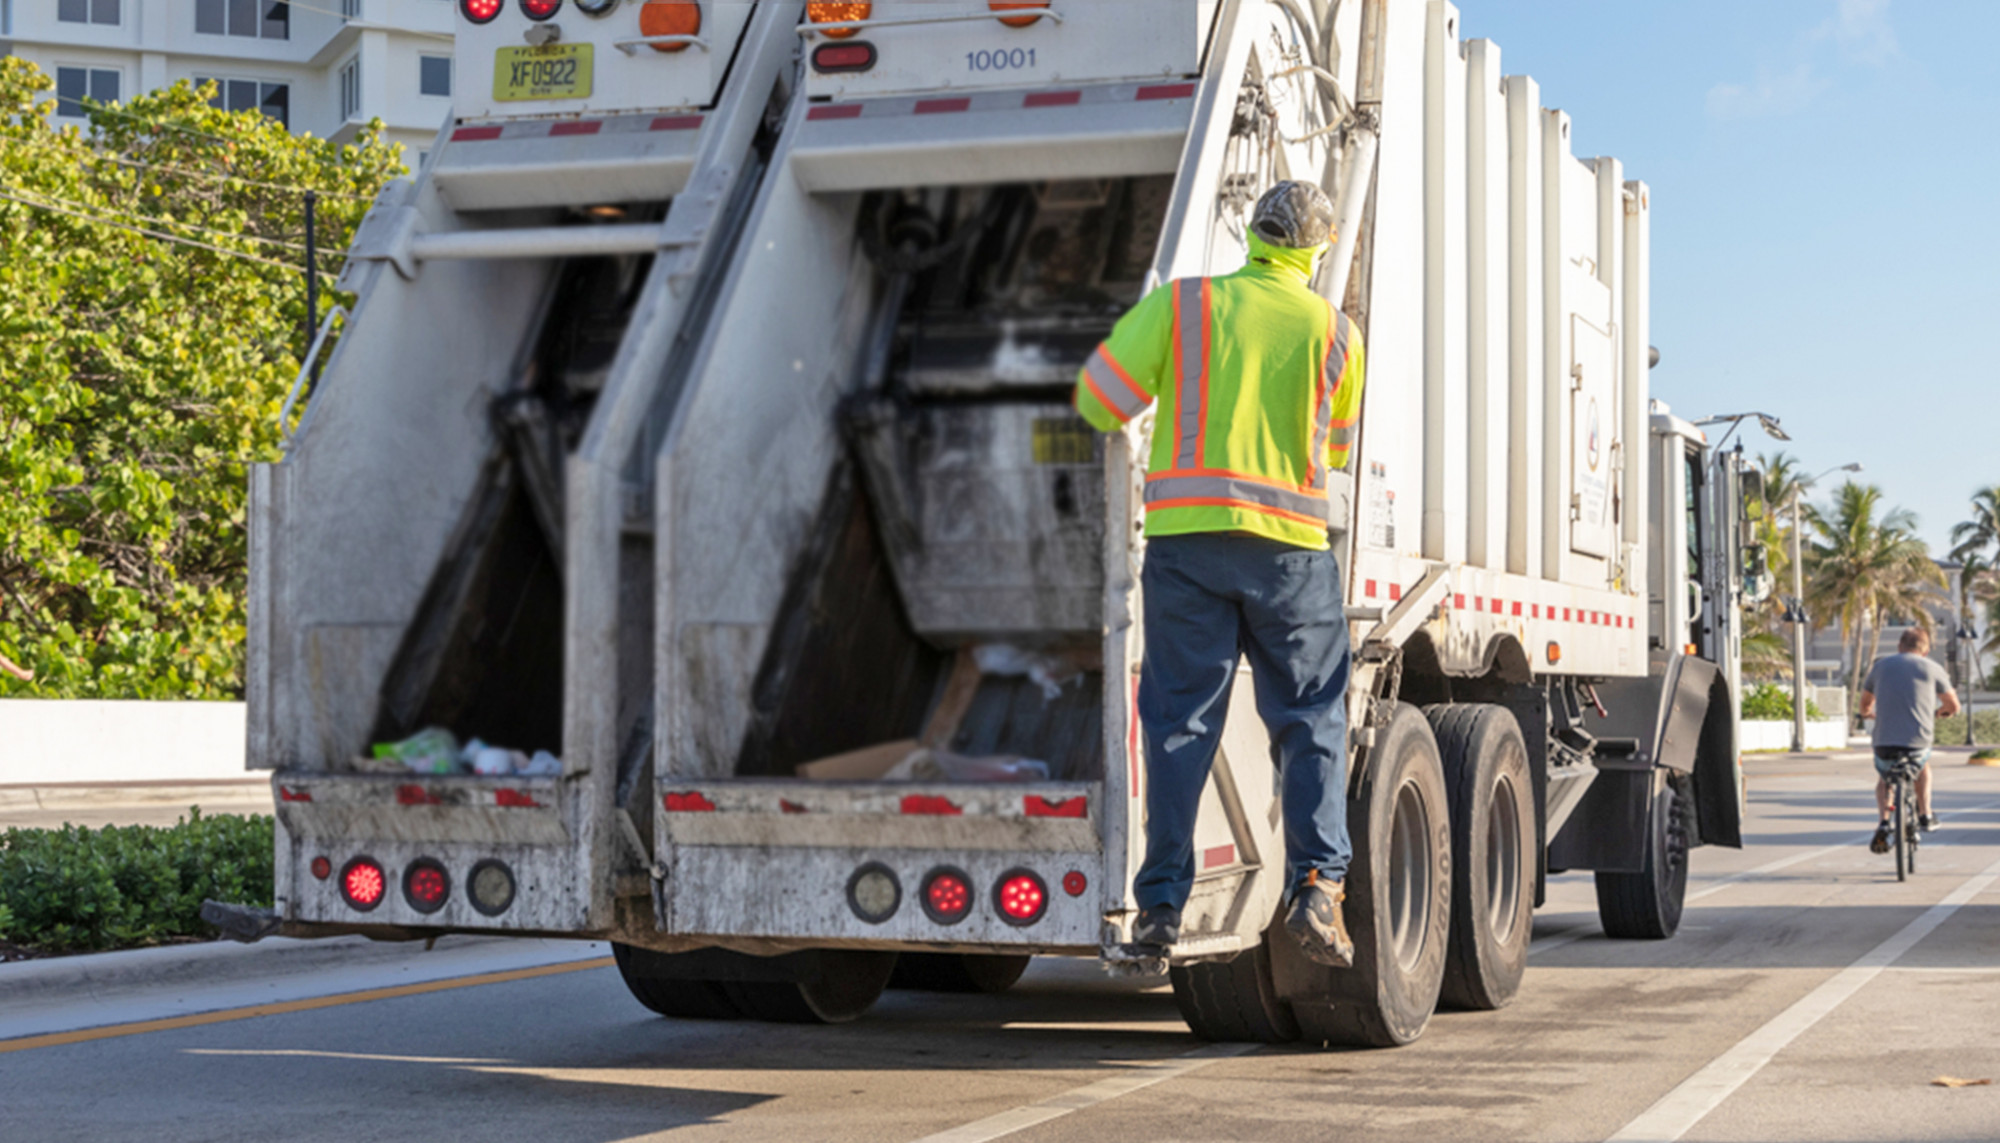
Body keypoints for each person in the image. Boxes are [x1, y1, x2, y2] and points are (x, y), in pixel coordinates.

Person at [1071, 181, 1366, 967]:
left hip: (1186, 548)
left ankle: (1161, 908)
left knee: (1179, 724)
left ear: (1252, 237)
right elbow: (1335, 450)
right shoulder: (1338, 334)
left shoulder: (1184, 305)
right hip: (1291, 555)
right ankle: (1317, 887)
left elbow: (1099, 400)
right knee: (1310, 718)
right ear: (1317, 251)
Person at [1859, 627, 1960, 853]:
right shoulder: (1932, 668)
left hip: (1884, 742)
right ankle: (1925, 814)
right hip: (1917, 742)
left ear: (1899, 647)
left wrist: (1867, 714)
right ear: (1925, 650)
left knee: (1885, 778)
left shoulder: (1880, 666)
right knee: (1923, 768)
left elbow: (1865, 702)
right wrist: (1941, 712)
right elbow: (1953, 705)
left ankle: (1883, 822)